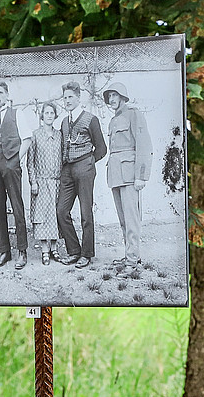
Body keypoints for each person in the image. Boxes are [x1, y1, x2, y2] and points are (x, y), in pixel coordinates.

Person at [55, 81, 106, 268]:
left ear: (78, 97)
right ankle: (74, 251)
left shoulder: (90, 119)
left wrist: (89, 163)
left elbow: (101, 148)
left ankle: (86, 254)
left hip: (84, 168)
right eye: (65, 97)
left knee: (86, 213)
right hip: (67, 170)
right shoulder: (64, 121)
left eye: (70, 97)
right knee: (61, 211)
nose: (67, 100)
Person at [103, 81, 152, 263]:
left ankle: (133, 260)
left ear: (123, 96)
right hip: (116, 175)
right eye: (109, 96)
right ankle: (130, 256)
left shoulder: (134, 114)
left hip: (130, 175)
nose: (111, 99)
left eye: (114, 95)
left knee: (132, 220)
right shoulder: (114, 120)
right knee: (123, 220)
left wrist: (141, 176)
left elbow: (144, 145)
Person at [0, 81, 28, 269]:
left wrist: (15, 161)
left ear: (7, 94)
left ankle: (22, 252)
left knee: (17, 207)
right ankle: (4, 251)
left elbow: (27, 139)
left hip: (11, 162)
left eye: (0, 92)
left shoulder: (18, 114)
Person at [25, 102, 65, 264]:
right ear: (42, 116)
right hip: (41, 182)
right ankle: (45, 250)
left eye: (51, 113)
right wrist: (33, 182)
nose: (49, 115)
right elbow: (30, 162)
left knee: (55, 216)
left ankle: (54, 249)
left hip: (56, 182)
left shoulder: (60, 136)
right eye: (46, 113)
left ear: (55, 115)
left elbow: (63, 158)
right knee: (42, 217)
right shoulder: (35, 135)